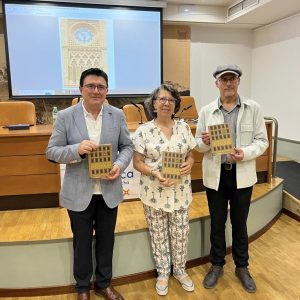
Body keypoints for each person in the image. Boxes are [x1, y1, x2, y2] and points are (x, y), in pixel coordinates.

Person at [46, 68, 133, 300]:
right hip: (79, 193)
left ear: (107, 90)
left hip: (108, 191)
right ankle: (82, 288)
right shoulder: (66, 116)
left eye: (101, 87)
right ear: (81, 89)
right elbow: (51, 152)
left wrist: (119, 165)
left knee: (106, 241)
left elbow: (127, 147)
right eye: (91, 86)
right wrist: (77, 150)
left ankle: (104, 284)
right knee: (81, 243)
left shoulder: (117, 114)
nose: (96, 91)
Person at [195, 64, 269, 293]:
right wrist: (205, 142)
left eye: (232, 79)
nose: (228, 83)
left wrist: (244, 153)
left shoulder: (252, 108)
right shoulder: (207, 111)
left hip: (242, 175)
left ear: (238, 81)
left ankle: (242, 267)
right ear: (216, 83)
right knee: (217, 224)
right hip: (216, 176)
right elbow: (197, 144)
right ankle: (216, 265)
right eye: (223, 79)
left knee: (239, 224)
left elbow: (262, 141)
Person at [132, 84, 197, 296]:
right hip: (154, 192)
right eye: (162, 99)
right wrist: (154, 173)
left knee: (180, 233)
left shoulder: (184, 128)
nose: (166, 102)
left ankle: (179, 271)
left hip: (180, 192)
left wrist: (190, 163)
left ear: (176, 104)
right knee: (158, 234)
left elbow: (190, 154)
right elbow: (137, 162)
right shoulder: (143, 131)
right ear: (154, 104)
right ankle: (162, 273)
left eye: (171, 99)